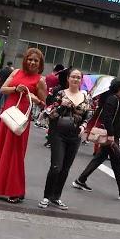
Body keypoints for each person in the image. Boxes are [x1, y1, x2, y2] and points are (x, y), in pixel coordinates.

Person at [0, 48, 47, 203]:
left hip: (21, 118)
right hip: (7, 114)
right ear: (25, 60)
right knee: (0, 147)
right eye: (30, 59)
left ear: (40, 64)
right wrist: (15, 89)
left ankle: (15, 190)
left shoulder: (40, 80)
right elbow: (3, 89)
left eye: (36, 61)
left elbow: (44, 104)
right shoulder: (16, 72)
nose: (32, 62)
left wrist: (35, 98)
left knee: (15, 153)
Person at [72, 79, 120, 201]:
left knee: (100, 158)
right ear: (119, 88)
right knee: (118, 161)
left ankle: (80, 180)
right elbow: (107, 118)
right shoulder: (112, 100)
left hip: (114, 136)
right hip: (111, 136)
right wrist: (110, 136)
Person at [39, 68, 91, 210]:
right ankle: (46, 196)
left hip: (75, 136)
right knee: (56, 166)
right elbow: (50, 115)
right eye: (73, 77)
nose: (75, 79)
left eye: (78, 77)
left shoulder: (85, 96)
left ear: (81, 80)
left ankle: (56, 197)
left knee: (65, 169)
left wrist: (83, 126)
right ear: (68, 79)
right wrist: (62, 106)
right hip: (58, 134)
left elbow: (88, 114)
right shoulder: (60, 94)